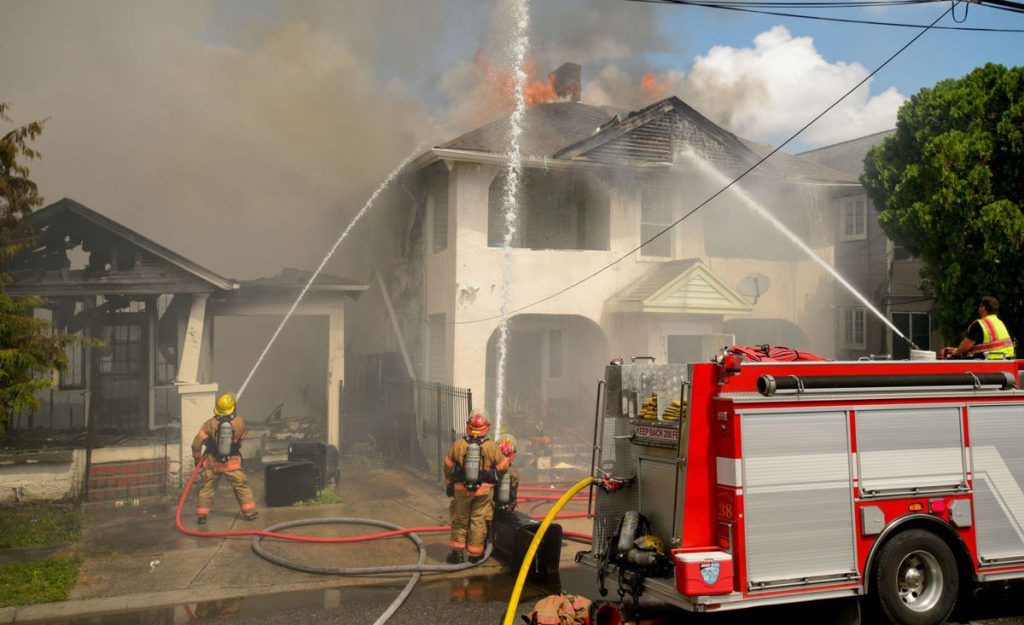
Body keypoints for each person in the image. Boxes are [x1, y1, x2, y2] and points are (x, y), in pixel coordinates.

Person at [443, 412, 510, 564]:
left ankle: (457, 555)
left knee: (460, 520)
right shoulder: (491, 446)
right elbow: (503, 466)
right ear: (486, 428)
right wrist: (492, 473)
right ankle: (475, 555)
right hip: (483, 491)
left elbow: (447, 465)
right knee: (478, 521)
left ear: (468, 427)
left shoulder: (458, 445)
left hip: (461, 490)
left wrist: (449, 483)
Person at [191, 393, 258, 524]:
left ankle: (202, 515)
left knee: (207, 488)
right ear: (233, 407)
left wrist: (197, 460)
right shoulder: (240, 422)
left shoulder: (209, 424)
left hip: (212, 463)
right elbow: (241, 438)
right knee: (241, 486)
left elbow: (196, 444)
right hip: (231, 463)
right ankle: (250, 513)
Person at [950, 296, 1016, 360]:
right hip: (1008, 361)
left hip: (989, 363)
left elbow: (965, 347)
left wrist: (956, 351)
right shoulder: (1000, 323)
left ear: (983, 308)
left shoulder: (979, 324)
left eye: (980, 306)